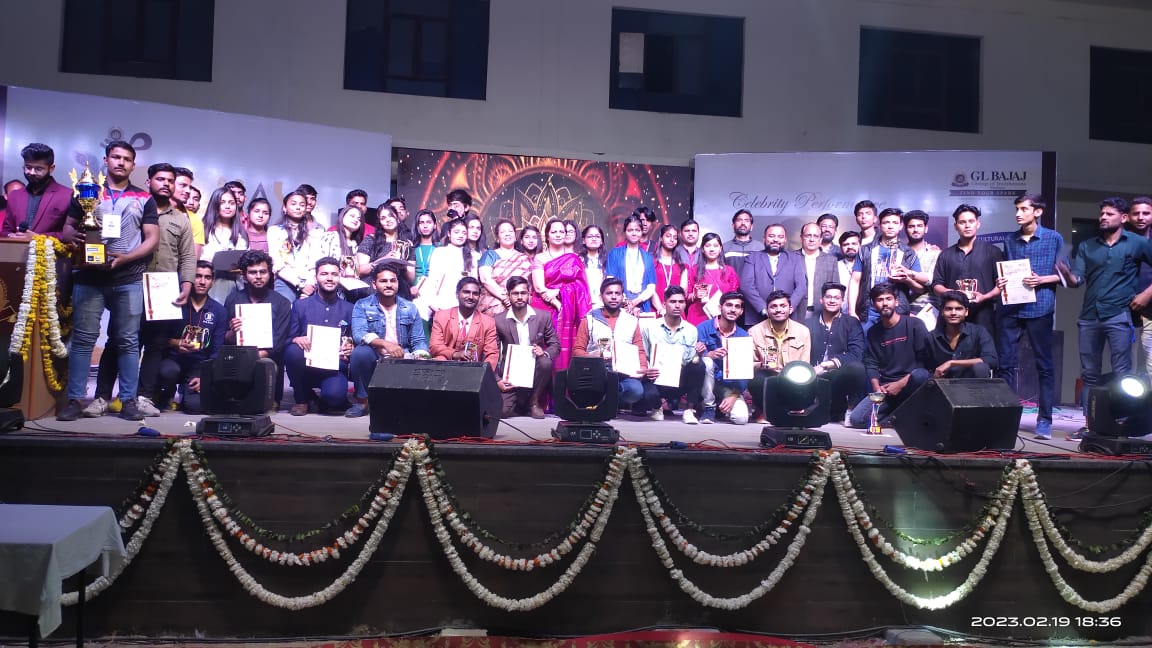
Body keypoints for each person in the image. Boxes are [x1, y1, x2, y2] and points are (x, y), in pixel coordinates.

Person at [57, 141, 159, 422]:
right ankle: (75, 400)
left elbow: (152, 238)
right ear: (106, 160)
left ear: (133, 165)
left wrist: (126, 258)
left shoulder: (144, 198)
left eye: (127, 158)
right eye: (116, 157)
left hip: (129, 277)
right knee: (83, 340)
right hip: (89, 278)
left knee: (128, 341)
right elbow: (68, 227)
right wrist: (71, 236)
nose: (121, 162)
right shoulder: (87, 191)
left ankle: (128, 401)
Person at [87, 161, 193, 418]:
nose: (166, 184)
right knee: (117, 341)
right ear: (148, 182)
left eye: (170, 180)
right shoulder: (134, 206)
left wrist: (187, 284)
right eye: (160, 179)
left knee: (156, 345)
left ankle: (144, 397)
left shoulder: (181, 219)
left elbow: (188, 256)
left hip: (164, 288)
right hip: (130, 281)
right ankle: (102, 397)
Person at [1057, 196, 1152, 439]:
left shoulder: (1138, 243)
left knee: (1122, 373)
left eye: (1109, 214)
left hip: (1118, 315)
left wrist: (1145, 294)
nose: (1103, 217)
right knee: (1089, 374)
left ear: (1123, 218)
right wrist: (1066, 274)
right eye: (1102, 214)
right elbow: (1077, 280)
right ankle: (1090, 425)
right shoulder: (1088, 246)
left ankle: (1121, 423)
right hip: (1089, 317)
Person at [995, 193, 1064, 440]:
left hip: (1040, 307)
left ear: (1038, 212)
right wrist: (1002, 281)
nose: (1018, 213)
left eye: (1024, 209)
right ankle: (1006, 418)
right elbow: (1008, 270)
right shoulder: (1010, 240)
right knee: (1005, 364)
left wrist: (1042, 279)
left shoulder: (1054, 238)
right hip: (1011, 308)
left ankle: (1044, 421)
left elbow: (1066, 274)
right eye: (1017, 209)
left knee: (1044, 365)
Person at [346, 263, 428, 418]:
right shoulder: (362, 305)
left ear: (398, 283)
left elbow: (418, 340)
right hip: (375, 355)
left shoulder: (410, 307)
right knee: (360, 353)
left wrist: (422, 357)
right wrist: (385, 344)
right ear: (374, 284)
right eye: (383, 281)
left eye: (393, 280)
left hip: (402, 356)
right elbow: (359, 334)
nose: (389, 284)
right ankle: (362, 401)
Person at [848, 284, 932, 429]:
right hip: (887, 389)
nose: (885, 303)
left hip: (912, 385)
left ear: (896, 302)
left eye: (888, 299)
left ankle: (903, 415)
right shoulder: (873, 332)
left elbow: (925, 362)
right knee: (857, 419)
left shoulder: (914, 324)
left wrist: (900, 384)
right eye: (880, 300)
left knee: (921, 375)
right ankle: (899, 418)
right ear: (874, 305)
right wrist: (877, 389)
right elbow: (871, 363)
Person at [223, 250, 294, 410]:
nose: (258, 276)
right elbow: (225, 337)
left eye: (263, 272)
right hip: (238, 353)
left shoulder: (282, 303)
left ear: (269, 273)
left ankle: (269, 400)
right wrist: (233, 333)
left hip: (267, 357)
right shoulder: (233, 299)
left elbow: (278, 342)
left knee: (264, 365)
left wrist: (253, 356)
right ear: (244, 275)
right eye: (253, 272)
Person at [283, 258, 355, 416]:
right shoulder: (300, 305)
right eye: (324, 274)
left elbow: (353, 339)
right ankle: (302, 399)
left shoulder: (349, 308)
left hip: (335, 367)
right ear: (316, 277)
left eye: (334, 274)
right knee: (292, 351)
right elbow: (287, 339)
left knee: (334, 399)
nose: (329, 278)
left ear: (339, 277)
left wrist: (351, 348)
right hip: (306, 367)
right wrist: (296, 339)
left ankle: (323, 399)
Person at [155, 261, 229, 413]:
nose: (202, 281)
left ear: (212, 281)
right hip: (172, 360)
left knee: (195, 407)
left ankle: (185, 394)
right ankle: (166, 393)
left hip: (198, 365)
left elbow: (217, 350)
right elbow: (157, 338)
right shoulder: (175, 303)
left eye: (207, 277)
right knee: (168, 372)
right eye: (197, 276)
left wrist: (206, 377)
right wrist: (175, 343)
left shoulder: (219, 311)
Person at [572, 277, 650, 413]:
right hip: (596, 372)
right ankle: (603, 400)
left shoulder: (632, 321)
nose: (614, 297)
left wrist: (643, 367)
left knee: (636, 391)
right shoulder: (589, 320)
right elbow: (577, 351)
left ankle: (611, 400)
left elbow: (639, 349)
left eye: (617, 293)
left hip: (623, 374)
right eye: (609, 293)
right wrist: (594, 355)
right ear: (601, 297)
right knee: (588, 388)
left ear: (622, 297)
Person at [931, 205, 1004, 336]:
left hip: (984, 314)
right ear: (955, 226)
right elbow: (936, 285)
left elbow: (1001, 285)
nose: (967, 225)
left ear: (978, 224)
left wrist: (984, 297)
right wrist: (953, 293)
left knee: (983, 347)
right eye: (962, 222)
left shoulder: (993, 252)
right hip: (953, 315)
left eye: (971, 221)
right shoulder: (946, 255)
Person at [494, 276, 560, 419]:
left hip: (535, 371)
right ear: (508, 295)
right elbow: (492, 352)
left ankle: (533, 401)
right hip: (512, 374)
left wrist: (544, 352)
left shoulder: (543, 316)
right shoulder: (498, 320)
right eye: (515, 293)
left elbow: (555, 344)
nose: (519, 297)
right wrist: (497, 379)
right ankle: (521, 404)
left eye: (523, 293)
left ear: (529, 294)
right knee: (502, 412)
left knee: (545, 361)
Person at [848, 208, 923, 329]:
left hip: (897, 310)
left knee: (896, 341)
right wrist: (852, 311)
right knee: (867, 340)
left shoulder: (909, 253)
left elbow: (920, 288)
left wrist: (906, 279)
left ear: (901, 226)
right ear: (879, 225)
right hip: (869, 310)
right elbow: (855, 281)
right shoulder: (865, 250)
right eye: (886, 222)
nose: (890, 226)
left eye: (895, 223)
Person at [532, 218, 591, 369]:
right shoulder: (540, 257)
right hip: (545, 308)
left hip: (571, 310)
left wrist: (558, 291)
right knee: (546, 347)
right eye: (554, 232)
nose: (558, 235)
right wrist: (557, 303)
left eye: (561, 232)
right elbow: (539, 287)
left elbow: (581, 286)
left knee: (569, 347)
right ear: (547, 235)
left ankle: (565, 381)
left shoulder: (574, 258)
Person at [641, 286, 705, 424]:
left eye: (681, 302)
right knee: (644, 383)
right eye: (673, 301)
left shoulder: (691, 330)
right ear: (664, 304)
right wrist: (647, 370)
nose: (677, 305)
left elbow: (690, 361)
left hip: (679, 378)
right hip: (656, 377)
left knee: (699, 364)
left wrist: (698, 354)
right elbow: (644, 355)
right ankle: (657, 407)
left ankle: (689, 410)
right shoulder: (649, 328)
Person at [805, 282, 868, 422]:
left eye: (837, 298)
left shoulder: (851, 323)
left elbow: (856, 354)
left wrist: (826, 365)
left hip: (837, 376)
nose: (832, 301)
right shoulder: (808, 324)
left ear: (842, 301)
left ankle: (851, 409)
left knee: (857, 368)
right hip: (812, 377)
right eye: (828, 297)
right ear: (821, 300)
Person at [748, 291, 811, 423]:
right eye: (773, 306)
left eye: (783, 306)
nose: (778, 310)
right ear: (767, 310)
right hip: (768, 377)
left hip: (793, 378)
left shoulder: (803, 331)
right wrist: (761, 364)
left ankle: (793, 407)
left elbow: (805, 364)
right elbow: (747, 365)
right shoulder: (754, 331)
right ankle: (764, 411)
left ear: (790, 309)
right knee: (757, 379)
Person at [695, 291, 751, 425]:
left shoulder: (743, 336)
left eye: (737, 306)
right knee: (707, 362)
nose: (733, 309)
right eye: (729, 305)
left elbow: (744, 373)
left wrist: (734, 395)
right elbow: (691, 361)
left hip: (727, 386)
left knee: (741, 418)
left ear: (741, 311)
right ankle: (708, 407)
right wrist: (708, 355)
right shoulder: (702, 328)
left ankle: (720, 406)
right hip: (703, 384)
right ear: (720, 308)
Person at [739, 223, 807, 326]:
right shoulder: (752, 258)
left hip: (788, 318)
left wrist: (788, 308)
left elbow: (801, 287)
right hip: (757, 318)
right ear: (764, 238)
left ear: (785, 240)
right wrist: (763, 308)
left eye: (780, 237)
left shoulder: (795, 258)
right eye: (771, 236)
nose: (776, 239)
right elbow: (746, 285)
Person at [2, 143, 70, 240]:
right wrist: (11, 236)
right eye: (28, 167)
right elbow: (6, 230)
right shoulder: (14, 196)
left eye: (38, 169)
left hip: (52, 250)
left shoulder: (67, 196)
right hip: (15, 249)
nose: (32, 172)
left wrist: (38, 238)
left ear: (51, 168)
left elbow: (72, 234)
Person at [429, 277, 500, 370]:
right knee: (439, 359)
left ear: (479, 297)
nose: (471, 297)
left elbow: (492, 353)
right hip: (444, 367)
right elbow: (435, 346)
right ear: (457, 294)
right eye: (466, 292)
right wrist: (455, 354)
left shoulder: (488, 322)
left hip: (472, 371)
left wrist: (484, 373)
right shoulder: (441, 316)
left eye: (475, 294)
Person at [928, 291, 998, 379]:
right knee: (919, 374)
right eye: (949, 309)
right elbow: (923, 366)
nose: (953, 313)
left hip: (972, 384)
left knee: (980, 368)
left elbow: (991, 360)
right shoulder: (932, 337)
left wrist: (952, 363)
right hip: (942, 384)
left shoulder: (979, 332)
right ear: (942, 312)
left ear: (966, 312)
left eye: (958, 309)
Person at [269, 190, 323, 301]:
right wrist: (299, 284)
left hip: (309, 282)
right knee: (286, 308)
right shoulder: (274, 231)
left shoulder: (314, 232)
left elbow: (315, 262)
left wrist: (309, 284)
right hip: (285, 281)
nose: (298, 207)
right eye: (293, 204)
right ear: (285, 208)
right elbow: (277, 263)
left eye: (302, 205)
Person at [200, 186, 249, 304]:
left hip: (235, 283)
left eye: (231, 203)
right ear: (215, 204)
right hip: (207, 282)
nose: (228, 206)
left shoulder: (241, 233)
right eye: (223, 202)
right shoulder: (203, 228)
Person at [418, 219, 474, 321]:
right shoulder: (440, 252)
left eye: (464, 233)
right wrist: (435, 306)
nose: (460, 235)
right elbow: (432, 281)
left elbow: (474, 285)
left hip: (464, 309)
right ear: (449, 233)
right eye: (456, 232)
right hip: (442, 306)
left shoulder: (472, 256)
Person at [478, 219, 532, 316]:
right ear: (497, 238)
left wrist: (516, 299)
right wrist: (505, 298)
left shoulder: (524, 258)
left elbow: (529, 284)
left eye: (510, 231)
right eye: (503, 232)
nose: (507, 234)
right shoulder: (490, 255)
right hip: (494, 306)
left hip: (521, 305)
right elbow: (485, 279)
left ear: (515, 236)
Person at [606, 215, 657, 313]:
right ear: (625, 232)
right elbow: (610, 281)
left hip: (643, 304)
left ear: (641, 232)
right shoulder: (614, 253)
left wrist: (635, 302)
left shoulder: (648, 257)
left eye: (637, 230)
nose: (634, 233)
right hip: (619, 305)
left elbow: (651, 287)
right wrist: (625, 301)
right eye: (630, 230)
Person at [686, 233, 739, 325]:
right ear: (702, 249)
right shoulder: (694, 270)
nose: (712, 249)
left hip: (721, 317)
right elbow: (685, 296)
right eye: (708, 246)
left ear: (720, 248)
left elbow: (734, 297)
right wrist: (695, 295)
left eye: (715, 246)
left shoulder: (729, 271)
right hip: (697, 316)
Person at [1127, 196, 1152, 377]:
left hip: (1151, 310)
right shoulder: (1120, 240)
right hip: (1124, 310)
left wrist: (1147, 294)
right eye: (1136, 213)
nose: (1141, 217)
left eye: (1146, 213)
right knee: (1126, 366)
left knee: (1151, 364)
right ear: (1128, 216)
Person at [904, 210, 941, 329]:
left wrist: (909, 274)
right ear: (905, 229)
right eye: (911, 226)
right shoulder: (898, 253)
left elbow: (931, 281)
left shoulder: (936, 253)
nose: (915, 229)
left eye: (919, 226)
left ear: (926, 228)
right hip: (902, 309)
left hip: (930, 310)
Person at [796, 222, 837, 319]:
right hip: (796, 312)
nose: (812, 239)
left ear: (820, 239)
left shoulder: (831, 260)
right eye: (808, 236)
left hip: (822, 313)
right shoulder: (791, 258)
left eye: (815, 236)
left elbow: (835, 289)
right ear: (801, 238)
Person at [652, 224, 692, 316]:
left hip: (676, 311)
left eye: (675, 237)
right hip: (656, 309)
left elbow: (683, 292)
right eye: (668, 236)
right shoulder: (651, 262)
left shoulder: (682, 266)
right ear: (661, 238)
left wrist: (671, 308)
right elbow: (650, 290)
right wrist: (661, 309)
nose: (672, 240)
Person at [172, 167, 203, 260]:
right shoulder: (149, 208)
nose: (188, 191)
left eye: (189, 187)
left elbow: (194, 259)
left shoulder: (194, 220)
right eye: (183, 185)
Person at [409, 209, 439, 299]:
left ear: (435, 225)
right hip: (415, 292)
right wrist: (410, 288)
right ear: (417, 226)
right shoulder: (412, 248)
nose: (425, 226)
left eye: (429, 222)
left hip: (435, 292)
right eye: (421, 223)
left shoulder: (441, 248)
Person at [579, 224, 608, 310]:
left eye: (597, 236)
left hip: (603, 304)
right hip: (583, 304)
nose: (594, 239)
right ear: (583, 241)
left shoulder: (608, 260)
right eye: (590, 236)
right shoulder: (578, 260)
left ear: (601, 241)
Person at [723, 209, 758, 276]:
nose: (743, 223)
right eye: (739, 220)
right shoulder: (724, 248)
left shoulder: (760, 248)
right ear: (733, 226)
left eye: (746, 220)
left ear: (751, 227)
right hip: (731, 283)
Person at [835, 232, 861, 311]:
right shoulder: (835, 266)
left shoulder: (867, 265)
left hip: (864, 311)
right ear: (841, 247)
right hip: (841, 311)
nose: (850, 247)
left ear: (860, 245)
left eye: (854, 244)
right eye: (846, 244)